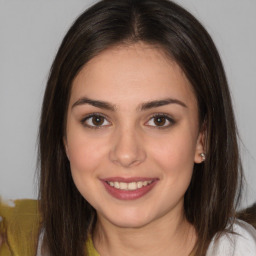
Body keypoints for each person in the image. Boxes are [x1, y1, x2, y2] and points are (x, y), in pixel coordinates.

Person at [0, 0, 256, 255]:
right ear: (63, 135)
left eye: (159, 120)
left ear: (203, 137)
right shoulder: (13, 239)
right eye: (97, 120)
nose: (126, 154)